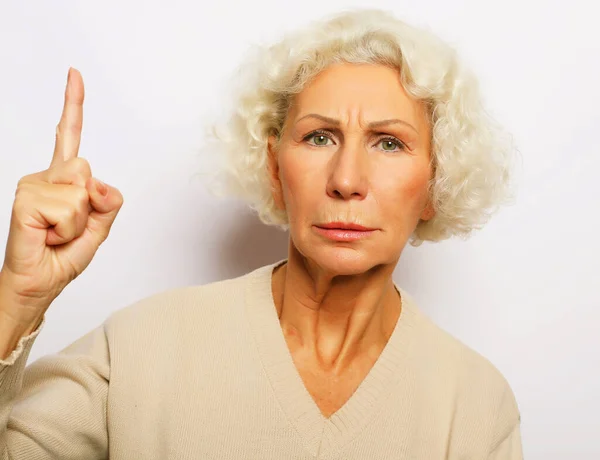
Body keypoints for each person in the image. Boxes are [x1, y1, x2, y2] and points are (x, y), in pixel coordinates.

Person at [0, 8, 522, 459]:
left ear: (436, 181)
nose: (345, 180)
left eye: (389, 143)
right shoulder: (139, 347)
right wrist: (16, 301)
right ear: (274, 168)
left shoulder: (475, 406)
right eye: (319, 137)